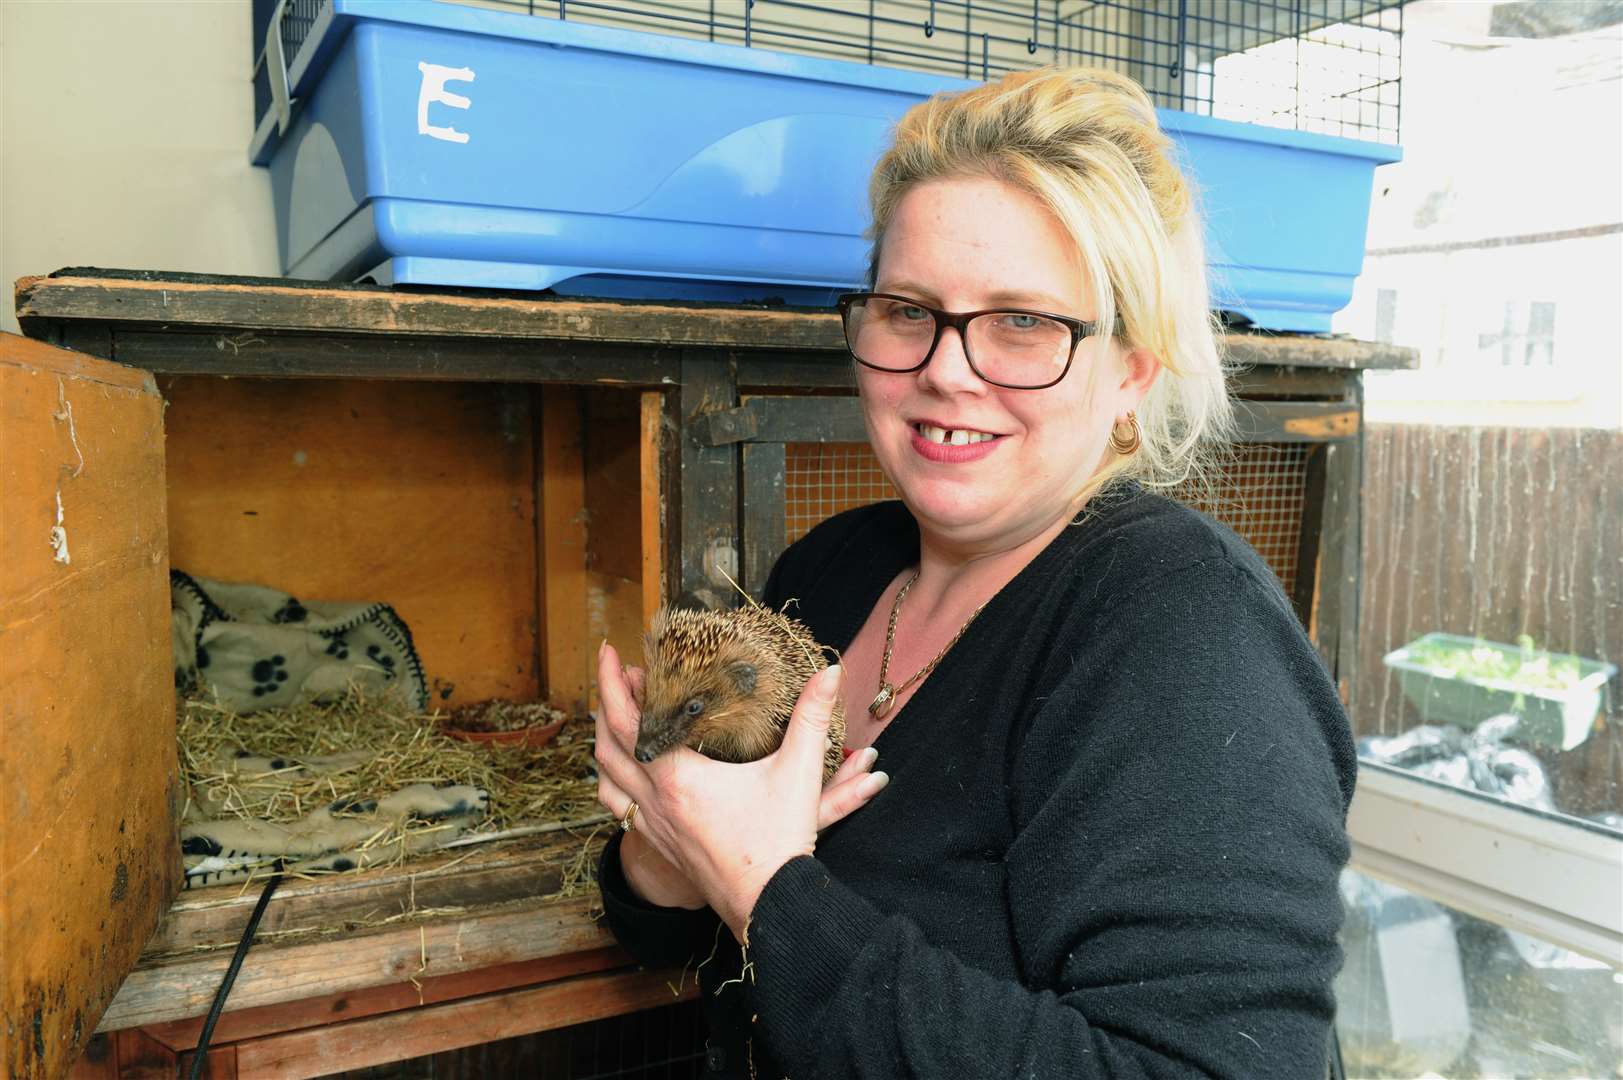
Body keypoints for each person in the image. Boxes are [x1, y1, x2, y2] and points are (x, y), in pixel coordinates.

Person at [592, 66, 1355, 1079]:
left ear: (1133, 365)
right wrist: (665, 850)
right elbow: (711, 946)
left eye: (1024, 322)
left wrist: (760, 882)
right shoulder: (835, 568)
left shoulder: (1182, 633)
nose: (947, 370)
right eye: (910, 309)